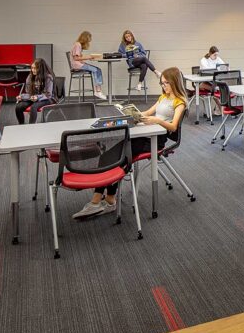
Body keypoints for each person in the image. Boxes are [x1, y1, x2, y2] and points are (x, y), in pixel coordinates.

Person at [72, 67, 187, 219]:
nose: (163, 85)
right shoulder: (162, 97)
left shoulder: (180, 103)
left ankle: (104, 201)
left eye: (166, 83)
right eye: (162, 83)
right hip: (145, 133)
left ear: (174, 82)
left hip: (156, 139)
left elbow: (173, 126)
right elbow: (146, 114)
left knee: (119, 159)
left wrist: (157, 120)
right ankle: (100, 199)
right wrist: (132, 113)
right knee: (108, 156)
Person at [15, 58, 57, 124]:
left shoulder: (48, 77)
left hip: (47, 98)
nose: (33, 70)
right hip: (34, 98)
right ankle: (21, 125)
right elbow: (29, 93)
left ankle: (31, 127)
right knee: (18, 107)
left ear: (41, 69)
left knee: (33, 107)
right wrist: (22, 97)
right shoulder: (30, 77)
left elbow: (48, 95)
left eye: (35, 68)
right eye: (32, 68)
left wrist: (37, 97)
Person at [70, 30, 106, 100]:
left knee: (97, 69)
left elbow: (79, 57)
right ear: (85, 38)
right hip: (77, 65)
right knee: (96, 70)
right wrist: (89, 57)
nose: (89, 41)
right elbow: (76, 58)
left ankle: (98, 90)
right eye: (89, 39)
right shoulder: (78, 44)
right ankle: (98, 91)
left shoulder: (78, 44)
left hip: (78, 64)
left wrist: (87, 58)